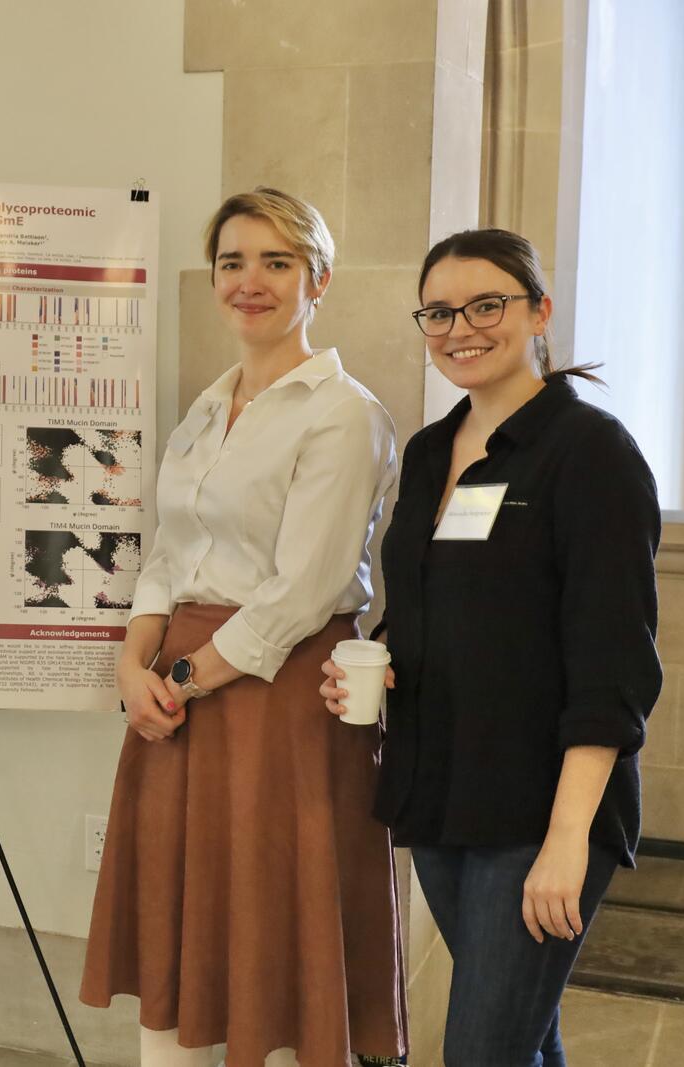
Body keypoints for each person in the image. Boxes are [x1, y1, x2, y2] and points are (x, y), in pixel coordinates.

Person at [81, 188, 408, 1067]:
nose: (249, 281)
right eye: (233, 261)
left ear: (318, 279)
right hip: (175, 688)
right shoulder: (204, 408)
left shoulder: (342, 414)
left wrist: (179, 682)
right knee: (177, 927)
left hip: (278, 696)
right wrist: (131, 664)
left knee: (277, 925)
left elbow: (302, 591)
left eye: (276, 262)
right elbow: (166, 554)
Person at [321, 228, 661, 1067]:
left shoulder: (591, 455)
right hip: (439, 791)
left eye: (486, 304)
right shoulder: (433, 448)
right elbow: (434, 595)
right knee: (520, 1031)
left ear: (539, 311)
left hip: (538, 805)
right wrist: (381, 658)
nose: (460, 327)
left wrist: (566, 838)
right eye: (439, 311)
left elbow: (614, 667)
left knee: (479, 1049)